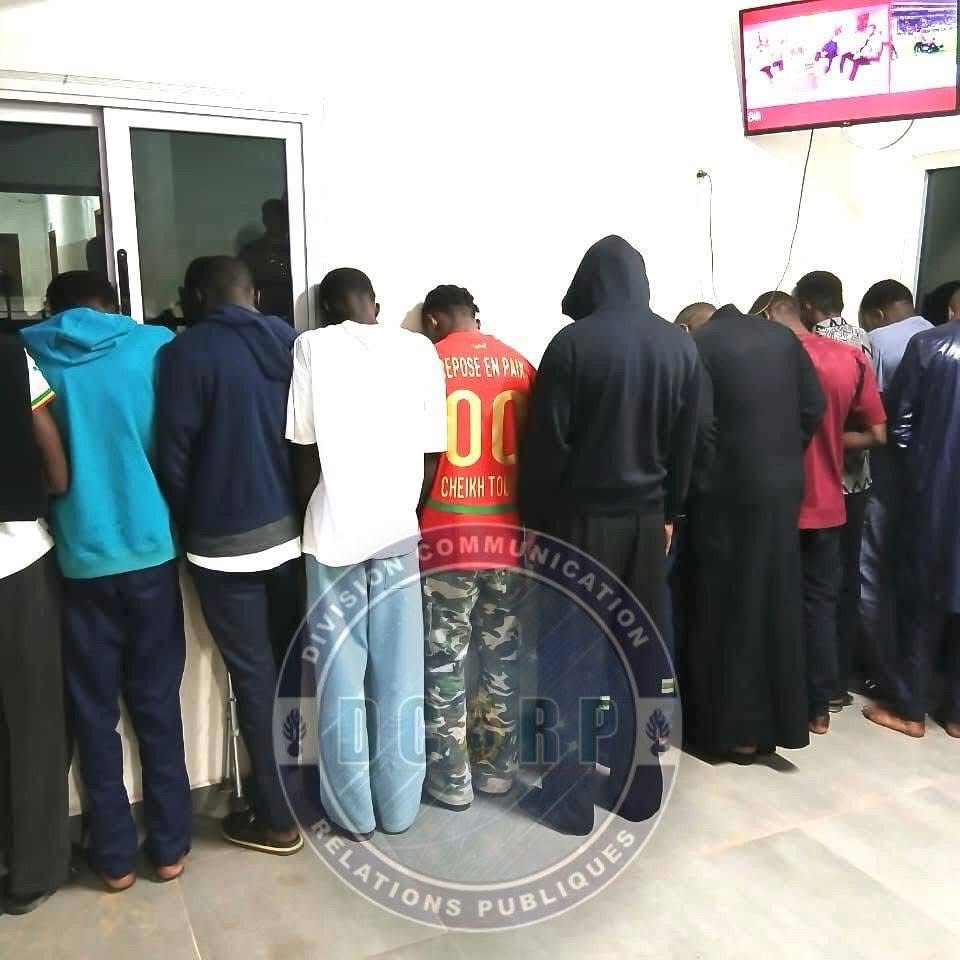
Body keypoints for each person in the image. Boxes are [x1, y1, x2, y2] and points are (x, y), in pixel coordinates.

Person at [517, 236, 704, 835]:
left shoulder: (572, 345)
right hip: (647, 528)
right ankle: (640, 789)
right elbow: (688, 443)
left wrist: (535, 526)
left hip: (579, 525)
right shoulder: (679, 345)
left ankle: (567, 802)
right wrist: (671, 513)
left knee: (569, 657)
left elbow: (547, 450)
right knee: (642, 657)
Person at [21, 271, 190, 891]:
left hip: (79, 557)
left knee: (94, 711)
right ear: (115, 306)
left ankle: (115, 859)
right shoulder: (152, 346)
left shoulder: (30, 353)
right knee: (157, 702)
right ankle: (169, 848)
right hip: (150, 549)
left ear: (51, 308)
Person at [286, 268, 447, 839]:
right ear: (375, 304)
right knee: (401, 673)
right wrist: (407, 509)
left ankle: (353, 813)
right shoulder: (420, 350)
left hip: (333, 533)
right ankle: (400, 808)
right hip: (397, 529)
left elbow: (303, 448)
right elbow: (434, 451)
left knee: (340, 678)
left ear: (327, 309)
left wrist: (313, 509)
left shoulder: (311, 346)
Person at [156, 257, 303, 856]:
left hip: (223, 543)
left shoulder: (186, 353)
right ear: (254, 293)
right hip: (291, 533)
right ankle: (301, 795)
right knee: (291, 668)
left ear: (197, 294)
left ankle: (277, 819)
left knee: (254, 676)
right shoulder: (290, 342)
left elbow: (173, 454)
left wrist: (192, 518)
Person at [684, 300, 824, 762]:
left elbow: (700, 425)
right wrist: (780, 453)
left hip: (726, 494)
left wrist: (704, 476)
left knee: (725, 607)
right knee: (776, 602)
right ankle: (774, 727)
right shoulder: (783, 339)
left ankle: (730, 733)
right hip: (782, 489)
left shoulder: (701, 344)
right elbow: (814, 405)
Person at [417, 285, 535, 810]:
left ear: (434, 321)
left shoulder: (427, 362)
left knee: (445, 662)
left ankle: (451, 781)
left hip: (448, 539)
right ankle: (497, 771)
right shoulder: (520, 365)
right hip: (507, 537)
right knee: (502, 657)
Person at [756, 292, 886, 735]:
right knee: (820, 606)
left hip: (778, 506)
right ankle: (819, 708)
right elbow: (878, 433)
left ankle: (776, 705)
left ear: (768, 316)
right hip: (830, 503)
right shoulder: (851, 357)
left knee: (771, 605)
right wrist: (830, 440)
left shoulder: (770, 359)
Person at [0, 338, 70, 915]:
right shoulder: (7, 354)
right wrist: (46, 487)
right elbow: (52, 454)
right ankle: (34, 869)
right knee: (34, 720)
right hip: (16, 558)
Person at [865, 320, 960, 739]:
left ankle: (910, 710)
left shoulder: (928, 345)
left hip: (933, 496)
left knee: (918, 603)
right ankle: (956, 716)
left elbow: (899, 426)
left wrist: (919, 474)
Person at [795, 271, 873, 711]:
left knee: (808, 589)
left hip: (816, 483)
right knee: (843, 583)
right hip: (856, 482)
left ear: (807, 305)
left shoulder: (807, 348)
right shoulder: (864, 342)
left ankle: (807, 685)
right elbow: (875, 417)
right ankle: (837, 681)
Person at [857, 281, 932, 701]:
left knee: (872, 572)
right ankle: (920, 672)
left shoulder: (880, 342)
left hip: (889, 477)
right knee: (919, 575)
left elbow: (875, 416)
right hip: (935, 486)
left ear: (877, 315)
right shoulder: (937, 333)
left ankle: (881, 672)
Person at [239, 199, 294, 323]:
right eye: (272, 218)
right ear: (265, 220)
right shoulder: (252, 252)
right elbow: (242, 285)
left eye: (281, 217)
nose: (278, 222)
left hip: (297, 314)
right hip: (261, 318)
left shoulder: (300, 251)